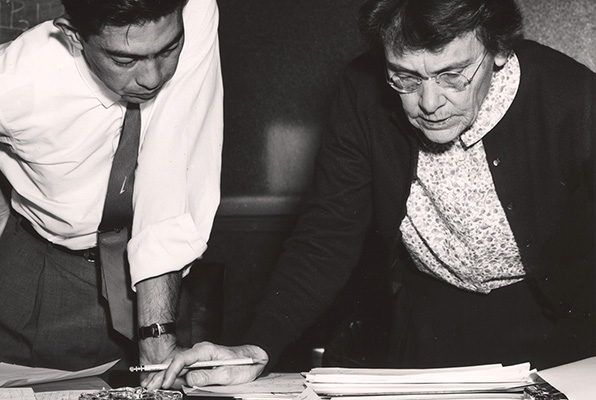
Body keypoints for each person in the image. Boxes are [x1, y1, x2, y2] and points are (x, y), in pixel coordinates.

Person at [146, 0, 596, 389]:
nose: (430, 101)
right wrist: (258, 345)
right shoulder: (362, 91)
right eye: (405, 77)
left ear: (497, 50)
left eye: (452, 75)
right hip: (428, 328)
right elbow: (327, 235)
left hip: (563, 328)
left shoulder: (573, 97)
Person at [0, 0, 222, 371]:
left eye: (169, 49)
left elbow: (169, 174)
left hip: (160, 290)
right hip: (44, 276)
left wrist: (157, 331)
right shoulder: (10, 80)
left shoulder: (194, 10)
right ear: (74, 37)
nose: (153, 77)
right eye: (125, 60)